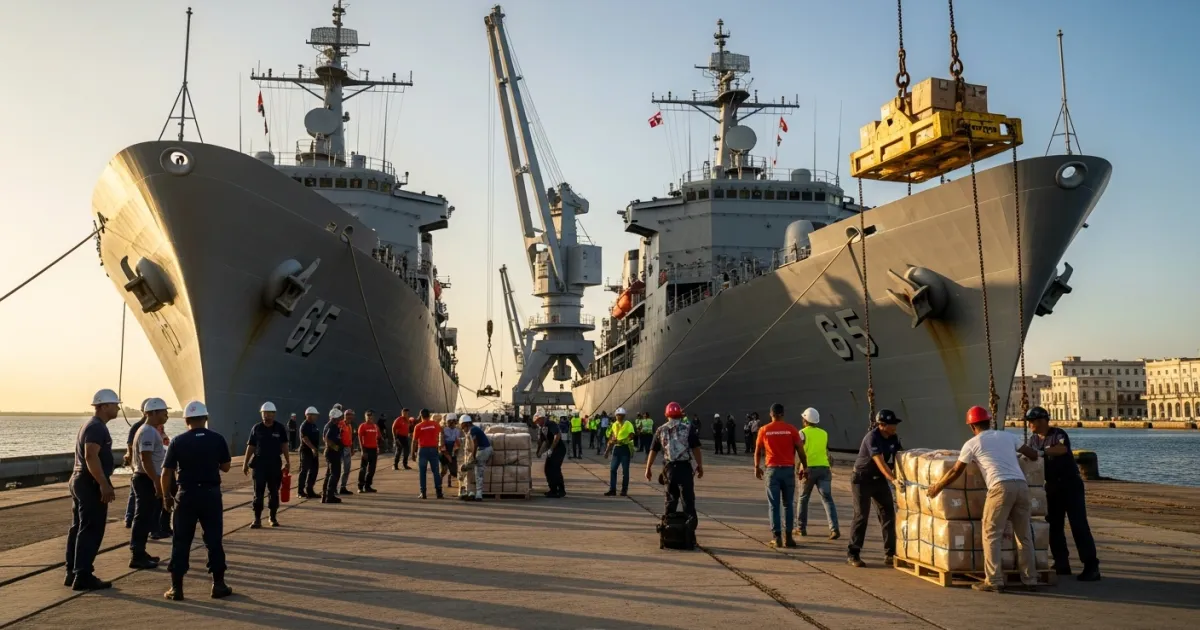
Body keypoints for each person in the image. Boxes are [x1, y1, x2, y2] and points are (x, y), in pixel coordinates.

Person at [928, 406, 1041, 592]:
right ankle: (1030, 580)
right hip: (1021, 486)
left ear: (972, 426)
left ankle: (994, 580)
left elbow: (956, 470)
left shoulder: (972, 444)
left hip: (1000, 487)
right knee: (1024, 536)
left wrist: (937, 487)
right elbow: (1033, 454)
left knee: (991, 533)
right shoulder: (1007, 436)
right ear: (989, 422)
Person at [160, 401, 233, 601]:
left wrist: (166, 496)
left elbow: (166, 472)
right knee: (214, 540)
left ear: (186, 420)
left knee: (181, 541)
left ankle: (176, 588)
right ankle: (218, 585)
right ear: (206, 418)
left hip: (186, 496)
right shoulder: (217, 439)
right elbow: (226, 467)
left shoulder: (177, 441)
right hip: (210, 495)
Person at [1024, 406, 1101, 581]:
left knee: (1078, 525)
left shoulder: (1058, 434)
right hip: (1051, 486)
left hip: (1070, 484)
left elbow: (1061, 449)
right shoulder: (1033, 440)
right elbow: (1028, 456)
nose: (1029, 425)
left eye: (1032, 422)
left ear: (1042, 421)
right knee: (1054, 526)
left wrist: (1041, 452)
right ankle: (1061, 563)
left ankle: (1091, 566)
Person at [66, 389, 121, 591]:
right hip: (89, 482)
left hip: (80, 480)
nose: (118, 408)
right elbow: (91, 455)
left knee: (79, 528)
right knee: (91, 529)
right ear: (104, 406)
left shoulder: (89, 425)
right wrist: (103, 483)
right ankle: (83, 575)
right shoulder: (97, 427)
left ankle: (72, 572)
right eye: (115, 405)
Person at [847, 409, 903, 568]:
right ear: (882, 425)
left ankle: (890, 553)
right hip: (862, 479)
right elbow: (880, 462)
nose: (895, 427)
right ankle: (853, 553)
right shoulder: (872, 437)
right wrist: (893, 479)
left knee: (888, 514)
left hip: (879, 479)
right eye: (892, 424)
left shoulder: (893, 438)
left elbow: (900, 457)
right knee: (861, 516)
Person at [754, 403, 806, 548]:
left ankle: (777, 538)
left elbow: (758, 450)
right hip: (788, 471)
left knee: (774, 505)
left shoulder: (764, 430)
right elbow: (800, 450)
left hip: (772, 471)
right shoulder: (791, 429)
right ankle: (788, 538)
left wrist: (756, 467)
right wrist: (805, 467)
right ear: (783, 414)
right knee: (788, 504)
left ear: (771, 414)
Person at [129, 397, 170, 569]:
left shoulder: (148, 430)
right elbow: (146, 459)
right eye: (164, 412)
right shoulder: (148, 432)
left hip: (146, 477)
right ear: (153, 413)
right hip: (146, 479)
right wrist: (156, 482)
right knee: (142, 517)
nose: (166, 416)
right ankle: (137, 554)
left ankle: (140, 551)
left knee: (145, 517)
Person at [646, 401, 703, 525]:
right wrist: (700, 466)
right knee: (688, 500)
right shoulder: (688, 428)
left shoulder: (660, 430)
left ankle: (668, 526)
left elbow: (653, 450)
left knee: (670, 500)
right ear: (680, 415)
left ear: (666, 415)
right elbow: (696, 449)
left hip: (669, 469)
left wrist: (648, 468)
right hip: (685, 469)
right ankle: (690, 529)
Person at [243, 401, 290, 528]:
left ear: (274, 414)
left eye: (269, 413)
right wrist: (245, 463)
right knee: (258, 493)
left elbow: (284, 445)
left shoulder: (280, 428)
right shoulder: (256, 428)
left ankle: (272, 517)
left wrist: (287, 461)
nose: (266, 415)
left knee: (274, 492)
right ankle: (257, 519)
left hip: (274, 464)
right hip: (259, 464)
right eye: (264, 413)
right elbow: (251, 446)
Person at [796, 407, 839, 539]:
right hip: (824, 469)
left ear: (805, 420)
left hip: (808, 469)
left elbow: (800, 452)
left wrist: (798, 467)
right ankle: (834, 529)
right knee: (827, 499)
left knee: (803, 498)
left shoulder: (802, 433)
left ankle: (801, 528)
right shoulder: (824, 433)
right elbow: (825, 451)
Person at [123, 398, 152, 528]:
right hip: (140, 465)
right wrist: (133, 464)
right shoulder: (138, 427)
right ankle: (130, 517)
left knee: (137, 492)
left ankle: (132, 518)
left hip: (146, 464)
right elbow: (130, 447)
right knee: (135, 492)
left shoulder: (152, 427)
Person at [411, 409, 444, 499]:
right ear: (429, 415)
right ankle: (439, 492)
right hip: (433, 450)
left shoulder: (418, 426)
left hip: (423, 450)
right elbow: (441, 433)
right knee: (436, 472)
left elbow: (414, 441)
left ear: (421, 416)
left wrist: (412, 453)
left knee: (422, 472)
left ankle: (423, 493)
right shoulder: (435, 424)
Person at [534, 412, 566, 498]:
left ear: (541, 419)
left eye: (537, 421)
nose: (537, 423)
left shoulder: (551, 424)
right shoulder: (542, 428)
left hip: (559, 449)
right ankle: (553, 489)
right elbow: (541, 441)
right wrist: (538, 452)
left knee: (554, 469)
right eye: (536, 422)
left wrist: (551, 449)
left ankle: (560, 490)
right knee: (547, 469)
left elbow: (557, 436)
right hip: (552, 450)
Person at [460, 415, 491, 502]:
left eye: (462, 425)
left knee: (478, 472)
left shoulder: (472, 430)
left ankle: (478, 495)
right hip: (484, 450)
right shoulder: (474, 428)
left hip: (483, 450)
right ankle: (472, 492)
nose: (462, 428)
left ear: (465, 423)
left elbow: (475, 444)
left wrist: (473, 457)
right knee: (474, 469)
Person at [605, 408, 636, 496]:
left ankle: (624, 490)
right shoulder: (614, 425)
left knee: (625, 471)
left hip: (625, 448)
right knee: (613, 469)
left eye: (621, 415)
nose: (619, 417)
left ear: (624, 416)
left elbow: (631, 435)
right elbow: (612, 437)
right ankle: (612, 489)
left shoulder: (628, 424)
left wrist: (623, 440)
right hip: (616, 449)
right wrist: (607, 450)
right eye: (618, 415)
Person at [321, 408, 347, 503]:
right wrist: (336, 447)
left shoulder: (329, 425)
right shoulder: (332, 426)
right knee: (335, 473)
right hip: (332, 453)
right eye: (339, 417)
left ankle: (325, 495)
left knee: (329, 474)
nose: (340, 419)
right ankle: (329, 496)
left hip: (330, 452)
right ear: (335, 418)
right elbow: (327, 438)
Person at [297, 407, 322, 498]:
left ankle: (310, 490)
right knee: (304, 471)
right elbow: (305, 439)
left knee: (314, 471)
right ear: (309, 415)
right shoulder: (304, 426)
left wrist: (316, 449)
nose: (316, 417)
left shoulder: (314, 425)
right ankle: (300, 491)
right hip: (306, 451)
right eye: (315, 415)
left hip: (314, 451)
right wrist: (312, 448)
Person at [357, 409, 381, 493]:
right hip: (366, 449)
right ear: (365, 417)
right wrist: (363, 451)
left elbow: (378, 437)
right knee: (363, 469)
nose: (369, 418)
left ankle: (368, 486)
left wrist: (378, 447)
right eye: (368, 416)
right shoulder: (362, 426)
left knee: (372, 469)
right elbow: (360, 439)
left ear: (373, 417)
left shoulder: (375, 426)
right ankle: (360, 486)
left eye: (371, 417)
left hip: (374, 450)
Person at [441, 413, 462, 489]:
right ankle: (439, 483)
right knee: (444, 469)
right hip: (445, 450)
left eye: (452, 422)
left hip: (454, 449)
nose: (451, 424)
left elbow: (458, 441)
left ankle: (449, 482)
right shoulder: (444, 430)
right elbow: (441, 442)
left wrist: (456, 451)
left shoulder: (458, 431)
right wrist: (445, 453)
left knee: (453, 469)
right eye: (449, 422)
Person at [338, 409, 356, 495]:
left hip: (348, 448)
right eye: (348, 415)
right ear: (344, 416)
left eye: (351, 415)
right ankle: (335, 488)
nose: (349, 416)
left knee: (347, 469)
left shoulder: (349, 426)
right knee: (338, 469)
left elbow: (350, 438)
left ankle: (343, 487)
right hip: (341, 449)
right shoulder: (340, 424)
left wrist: (352, 449)